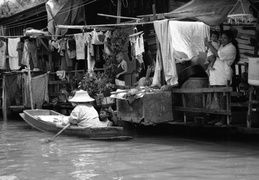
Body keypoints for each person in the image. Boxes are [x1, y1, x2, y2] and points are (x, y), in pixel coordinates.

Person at [204, 30, 238, 126]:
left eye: (225, 38)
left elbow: (218, 55)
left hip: (223, 77)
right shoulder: (223, 46)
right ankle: (218, 117)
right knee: (217, 99)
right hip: (216, 77)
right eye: (221, 37)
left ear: (230, 39)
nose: (222, 40)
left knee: (223, 99)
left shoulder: (231, 48)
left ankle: (224, 119)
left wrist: (209, 44)